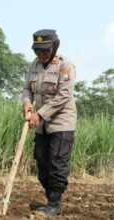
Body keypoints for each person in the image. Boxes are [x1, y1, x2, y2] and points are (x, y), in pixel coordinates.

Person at [23, 29, 77, 216]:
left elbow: (64, 95)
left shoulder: (65, 66)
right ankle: (50, 202)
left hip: (61, 124)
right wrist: (27, 103)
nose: (41, 54)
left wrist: (41, 113)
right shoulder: (34, 65)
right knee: (41, 160)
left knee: (57, 162)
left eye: (45, 49)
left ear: (54, 47)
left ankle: (55, 203)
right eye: (38, 50)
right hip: (41, 125)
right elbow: (27, 89)